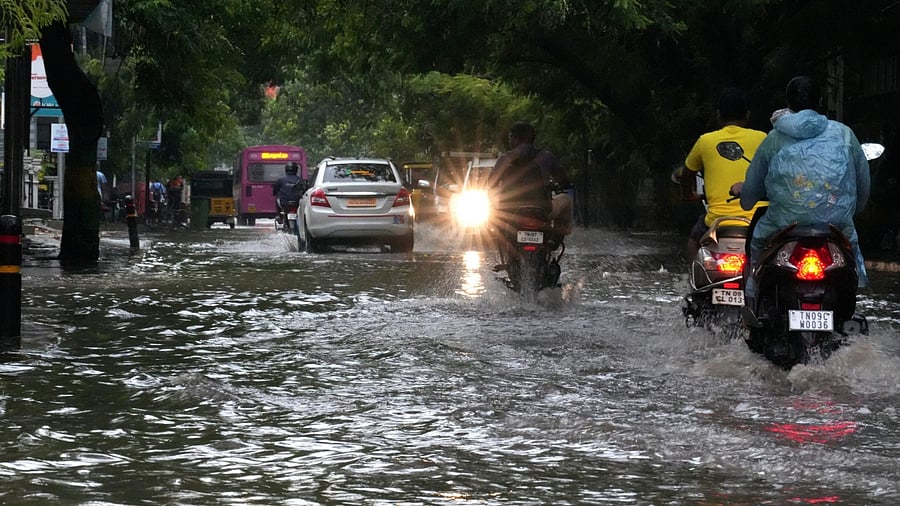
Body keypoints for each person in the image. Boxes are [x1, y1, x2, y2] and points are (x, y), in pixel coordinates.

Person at [730, 76, 871, 320]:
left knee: (755, 246)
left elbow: (750, 192)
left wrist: (746, 200)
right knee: (850, 264)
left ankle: (751, 304)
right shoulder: (845, 135)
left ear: (788, 104)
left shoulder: (773, 139)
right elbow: (863, 185)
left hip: (783, 225)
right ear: (820, 101)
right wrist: (851, 212)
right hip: (836, 226)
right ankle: (848, 313)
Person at [681, 87, 767, 262]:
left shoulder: (705, 141)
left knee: (693, 240)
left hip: (716, 221)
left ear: (718, 115)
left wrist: (688, 194)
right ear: (747, 115)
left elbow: (687, 174)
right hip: (758, 221)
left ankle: (694, 280)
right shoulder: (763, 138)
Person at [489, 121, 573, 236]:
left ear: (515, 139)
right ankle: (557, 235)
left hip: (509, 210)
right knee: (566, 199)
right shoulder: (546, 156)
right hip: (542, 208)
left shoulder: (504, 159)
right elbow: (563, 181)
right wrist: (561, 185)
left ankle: (500, 237)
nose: (509, 141)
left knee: (492, 207)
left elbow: (491, 183)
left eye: (510, 138)